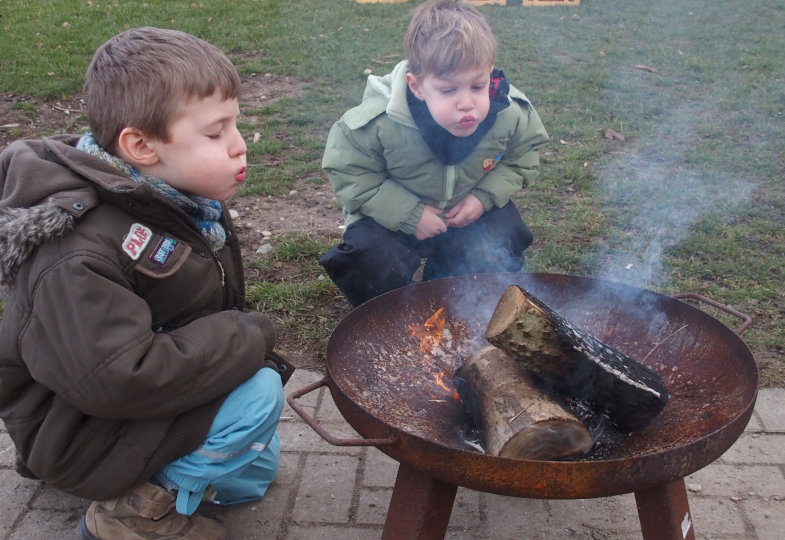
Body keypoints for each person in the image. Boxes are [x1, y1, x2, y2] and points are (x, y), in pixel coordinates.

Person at [0, 27, 293, 540]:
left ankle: (156, 475)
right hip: (74, 429)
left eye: (236, 125)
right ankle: (128, 516)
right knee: (258, 397)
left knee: (250, 476)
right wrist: (249, 337)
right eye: (215, 132)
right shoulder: (78, 251)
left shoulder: (176, 200)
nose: (240, 146)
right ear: (140, 145)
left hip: (119, 403)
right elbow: (119, 377)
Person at [320, 0, 550, 307]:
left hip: (463, 216)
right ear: (416, 86)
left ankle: (448, 294)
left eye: (477, 86)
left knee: (500, 240)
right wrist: (410, 214)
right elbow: (352, 175)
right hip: (394, 221)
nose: (466, 103)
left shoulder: (510, 113)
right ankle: (389, 310)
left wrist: (483, 198)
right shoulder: (377, 123)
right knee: (371, 259)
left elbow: (521, 158)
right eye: (448, 90)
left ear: (490, 75)